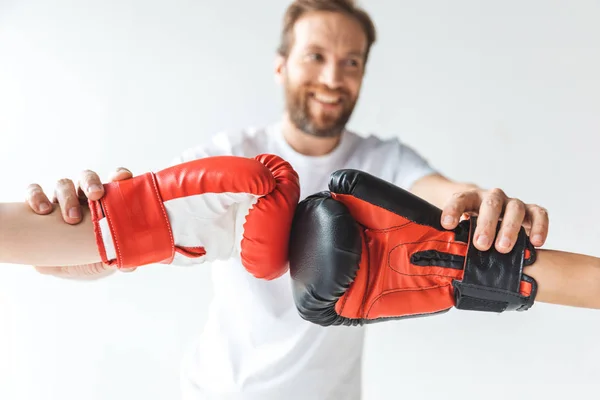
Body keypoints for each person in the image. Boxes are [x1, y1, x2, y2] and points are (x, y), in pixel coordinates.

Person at [21, 1, 554, 399]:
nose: (331, 78)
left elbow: (443, 196)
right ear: (281, 65)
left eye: (351, 63)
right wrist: (82, 234)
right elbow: (146, 223)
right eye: (316, 56)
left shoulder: (384, 161)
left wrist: (484, 204)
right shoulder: (233, 154)